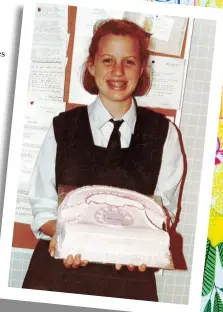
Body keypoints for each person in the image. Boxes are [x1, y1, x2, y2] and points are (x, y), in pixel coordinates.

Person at [22, 19, 184, 301]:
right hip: (57, 276)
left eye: (129, 62)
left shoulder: (164, 134)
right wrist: (66, 240)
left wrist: (142, 249)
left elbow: (163, 213)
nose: (118, 72)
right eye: (108, 60)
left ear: (142, 68)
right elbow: (43, 206)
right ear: (92, 65)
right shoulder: (62, 127)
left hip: (130, 285)